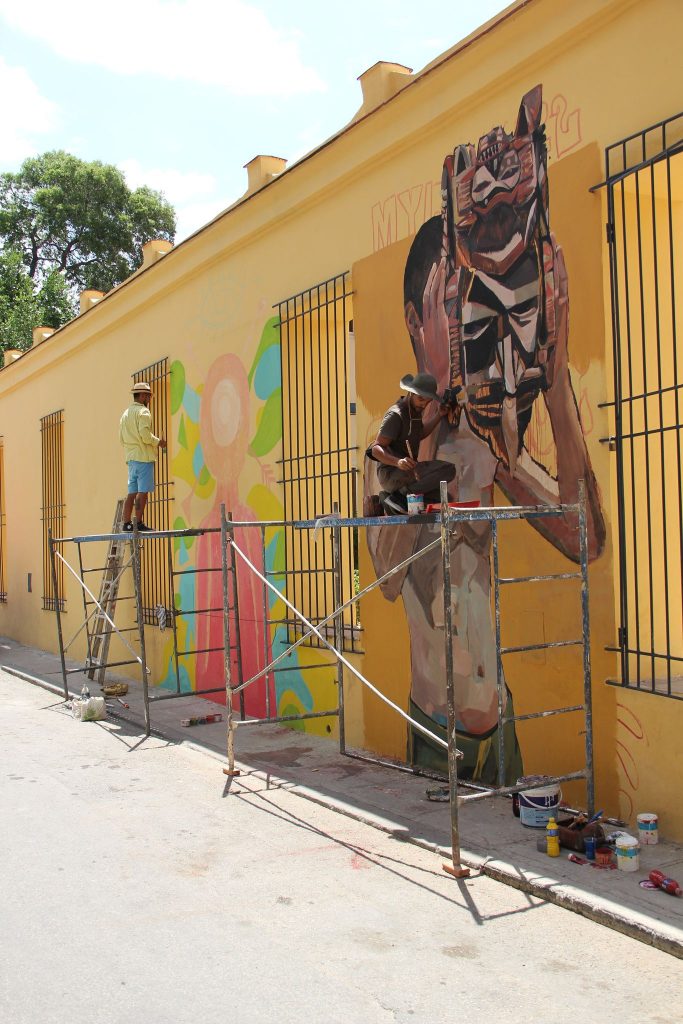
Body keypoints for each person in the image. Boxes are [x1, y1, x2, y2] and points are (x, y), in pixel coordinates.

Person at [368, 372, 454, 514]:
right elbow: (376, 449)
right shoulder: (396, 415)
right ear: (411, 393)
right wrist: (398, 462)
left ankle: (390, 500)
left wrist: (439, 415)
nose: (424, 404)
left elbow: (419, 434)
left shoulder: (414, 412)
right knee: (448, 470)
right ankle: (398, 498)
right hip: (392, 474)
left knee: (445, 498)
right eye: (421, 399)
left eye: (428, 401)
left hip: (408, 474)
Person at [119, 382, 166, 532]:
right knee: (143, 492)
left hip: (131, 459)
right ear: (142, 396)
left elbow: (121, 438)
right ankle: (138, 522)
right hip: (143, 458)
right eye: (148, 396)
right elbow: (145, 436)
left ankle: (126, 523)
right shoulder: (144, 412)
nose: (149, 399)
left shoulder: (125, 415)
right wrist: (159, 442)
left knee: (131, 493)